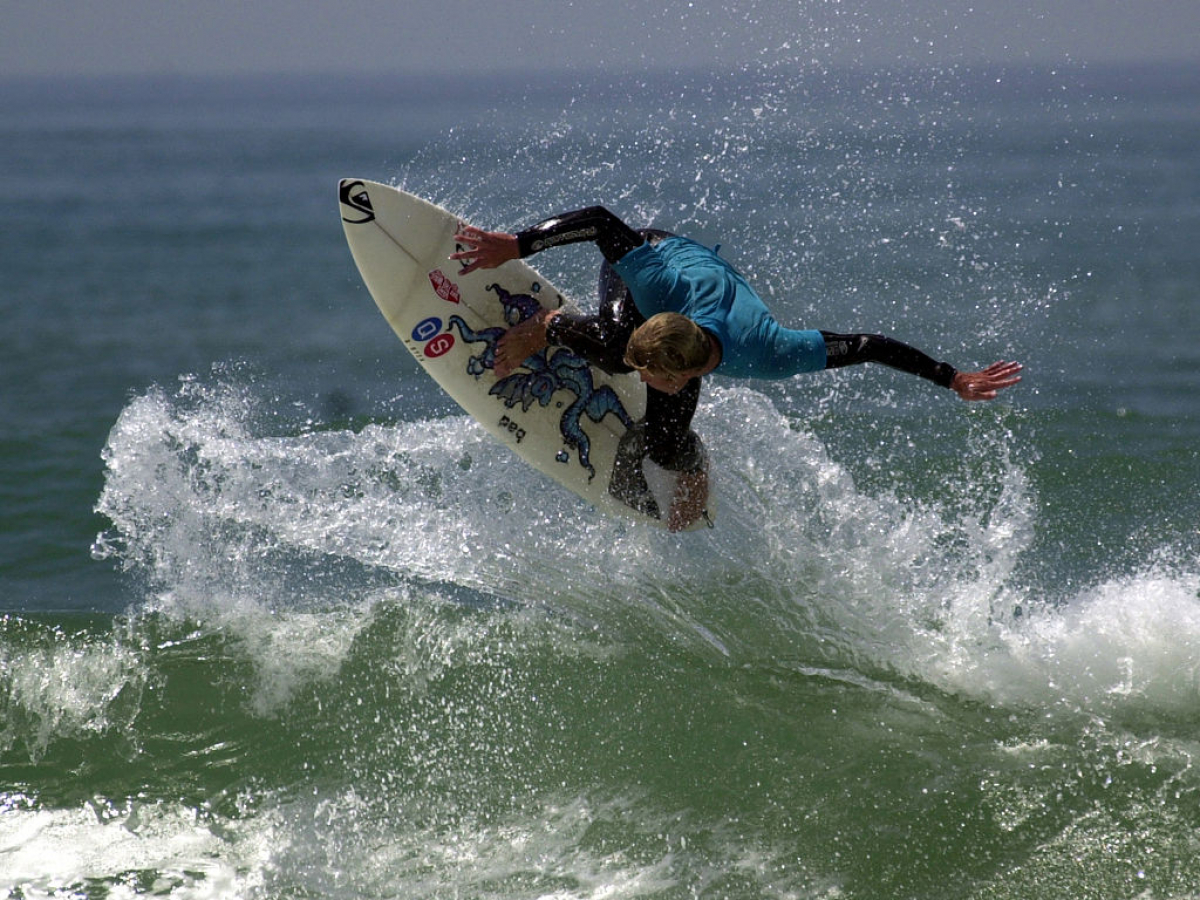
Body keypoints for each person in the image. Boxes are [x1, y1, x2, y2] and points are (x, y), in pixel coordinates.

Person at [451, 205, 1021, 531]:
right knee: (611, 342)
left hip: (698, 317)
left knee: (665, 444)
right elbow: (602, 221)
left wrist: (951, 379)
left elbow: (867, 345)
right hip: (657, 255)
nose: (642, 378)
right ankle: (545, 326)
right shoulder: (658, 285)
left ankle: (693, 466)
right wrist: (519, 244)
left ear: (682, 376)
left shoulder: (772, 353)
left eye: (651, 377)